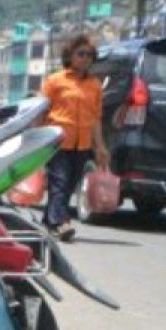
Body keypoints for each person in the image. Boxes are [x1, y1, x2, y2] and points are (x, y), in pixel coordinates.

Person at [40, 34, 109, 241]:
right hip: (58, 139)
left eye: (90, 55)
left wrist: (101, 147)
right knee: (59, 181)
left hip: (83, 143)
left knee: (69, 184)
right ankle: (62, 223)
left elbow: (95, 118)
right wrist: (36, 140)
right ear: (69, 55)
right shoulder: (54, 81)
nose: (86, 58)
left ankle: (48, 219)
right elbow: (40, 111)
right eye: (81, 54)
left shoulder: (95, 85)